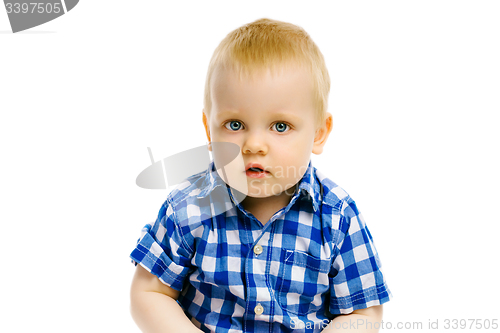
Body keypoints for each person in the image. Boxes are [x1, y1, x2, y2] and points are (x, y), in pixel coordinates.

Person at [129, 18, 392, 333]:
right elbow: (148, 294)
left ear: (319, 133)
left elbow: (363, 313)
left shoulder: (336, 216)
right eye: (235, 125)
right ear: (208, 129)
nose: (254, 145)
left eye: (280, 126)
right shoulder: (188, 207)